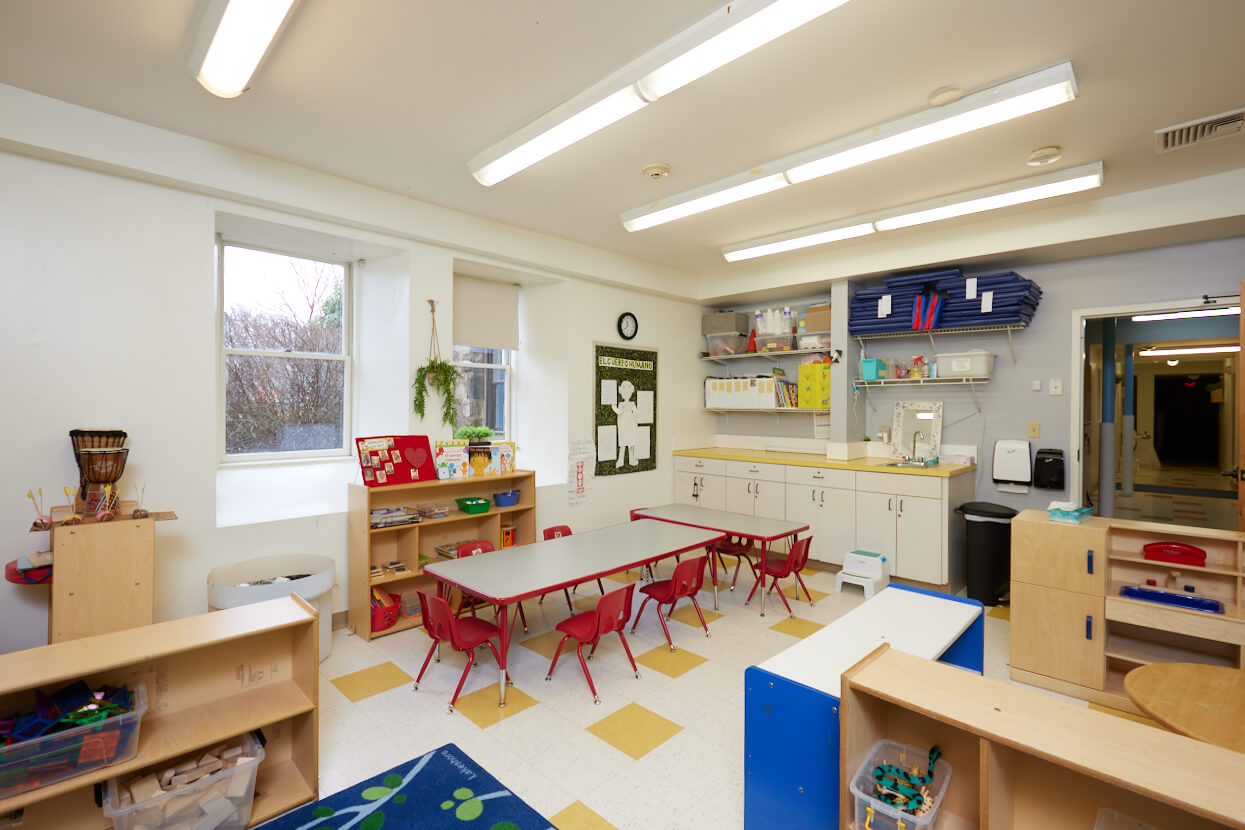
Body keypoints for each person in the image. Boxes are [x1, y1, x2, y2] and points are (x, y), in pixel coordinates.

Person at [612, 380, 639, 468]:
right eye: (624, 392)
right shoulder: (621, 404)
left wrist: (633, 415)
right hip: (623, 426)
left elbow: (636, 412)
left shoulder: (632, 404)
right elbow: (619, 412)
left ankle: (631, 459)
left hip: (630, 426)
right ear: (621, 392)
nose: (626, 394)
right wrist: (614, 407)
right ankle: (620, 460)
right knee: (623, 444)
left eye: (628, 391)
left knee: (630, 444)